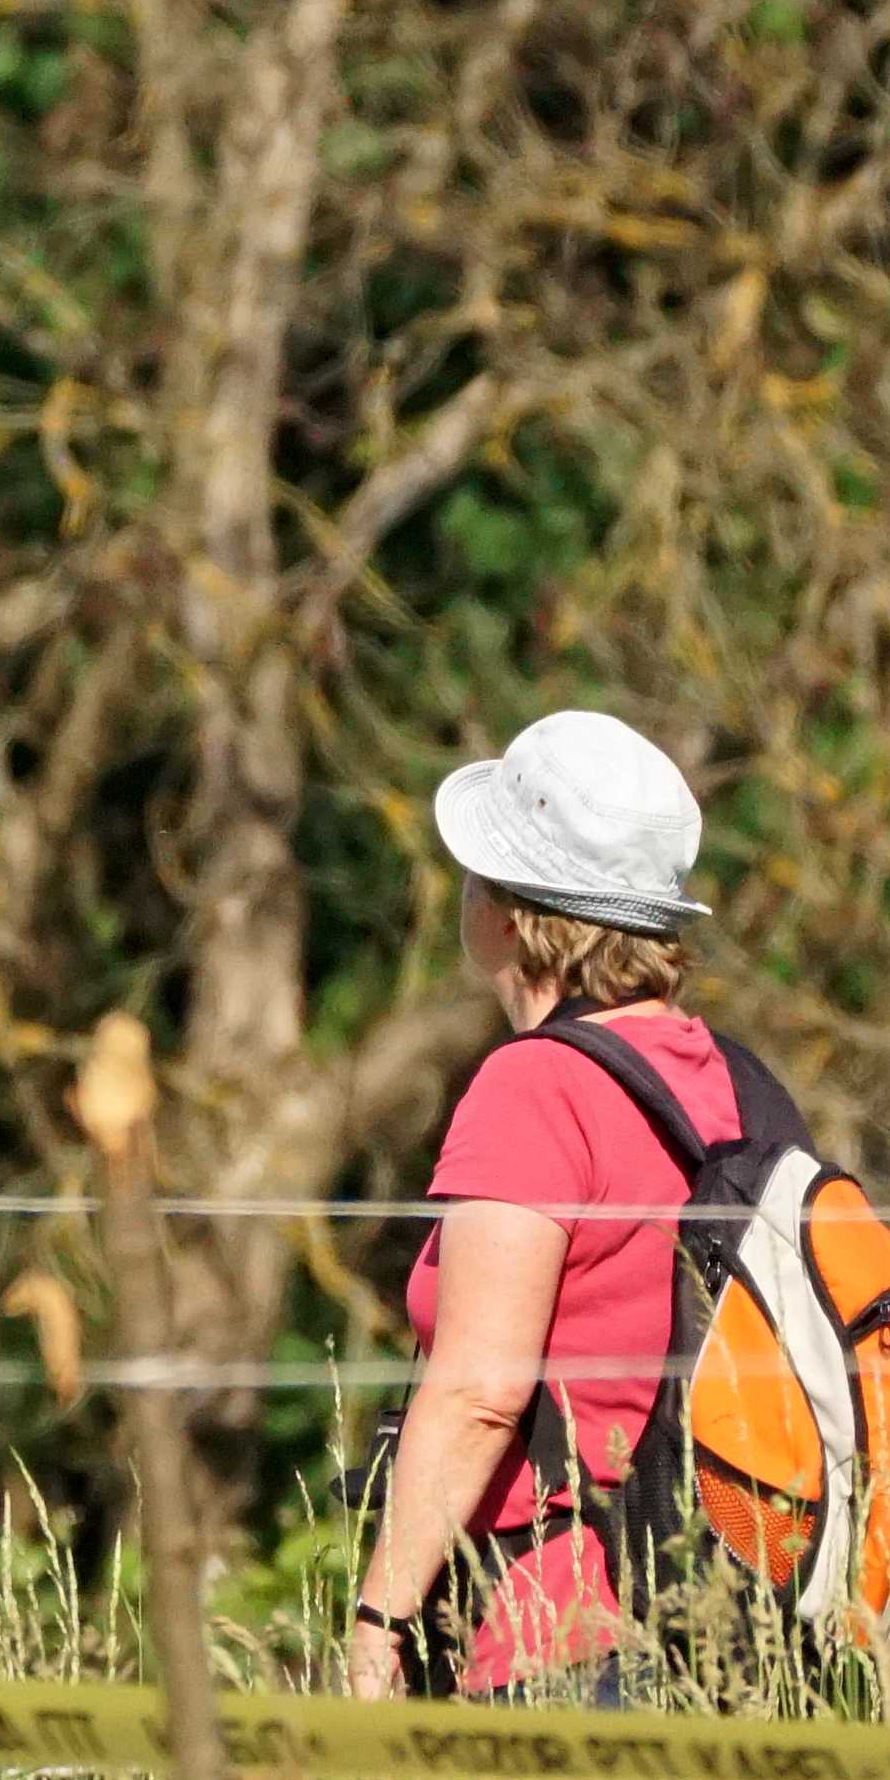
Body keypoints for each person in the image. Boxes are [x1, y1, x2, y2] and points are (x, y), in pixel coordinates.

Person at [346, 710, 737, 1710]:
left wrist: (381, 1621)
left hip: (562, 1634)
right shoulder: (725, 1081)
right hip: (724, 1631)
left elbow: (481, 1392)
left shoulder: (534, 1091)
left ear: (513, 916)